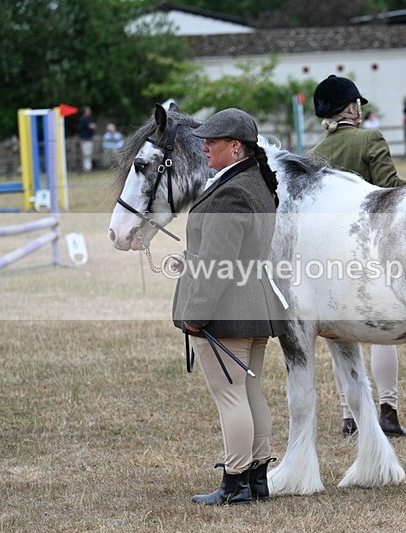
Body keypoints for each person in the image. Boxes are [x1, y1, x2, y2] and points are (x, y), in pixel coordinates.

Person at [172, 108, 286, 505]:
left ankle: (235, 482)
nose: (204, 147)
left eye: (212, 141)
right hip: (254, 302)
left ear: (235, 147)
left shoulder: (231, 192)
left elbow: (217, 264)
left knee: (231, 396)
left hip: (228, 309)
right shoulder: (254, 182)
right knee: (249, 391)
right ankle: (257, 478)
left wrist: (195, 314)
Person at [308, 74, 406, 437]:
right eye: (357, 104)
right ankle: (388, 410)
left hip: (331, 255)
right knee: (381, 332)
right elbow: (390, 191)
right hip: (370, 249)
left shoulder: (313, 155)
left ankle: (349, 415)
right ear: (351, 108)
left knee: (341, 337)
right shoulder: (370, 139)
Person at [79, 106, 97, 171]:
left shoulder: (89, 119)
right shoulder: (84, 119)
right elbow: (91, 126)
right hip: (85, 139)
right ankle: (86, 167)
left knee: (89, 153)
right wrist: (92, 126)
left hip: (89, 138)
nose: (89, 112)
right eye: (88, 111)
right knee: (86, 153)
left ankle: (89, 167)